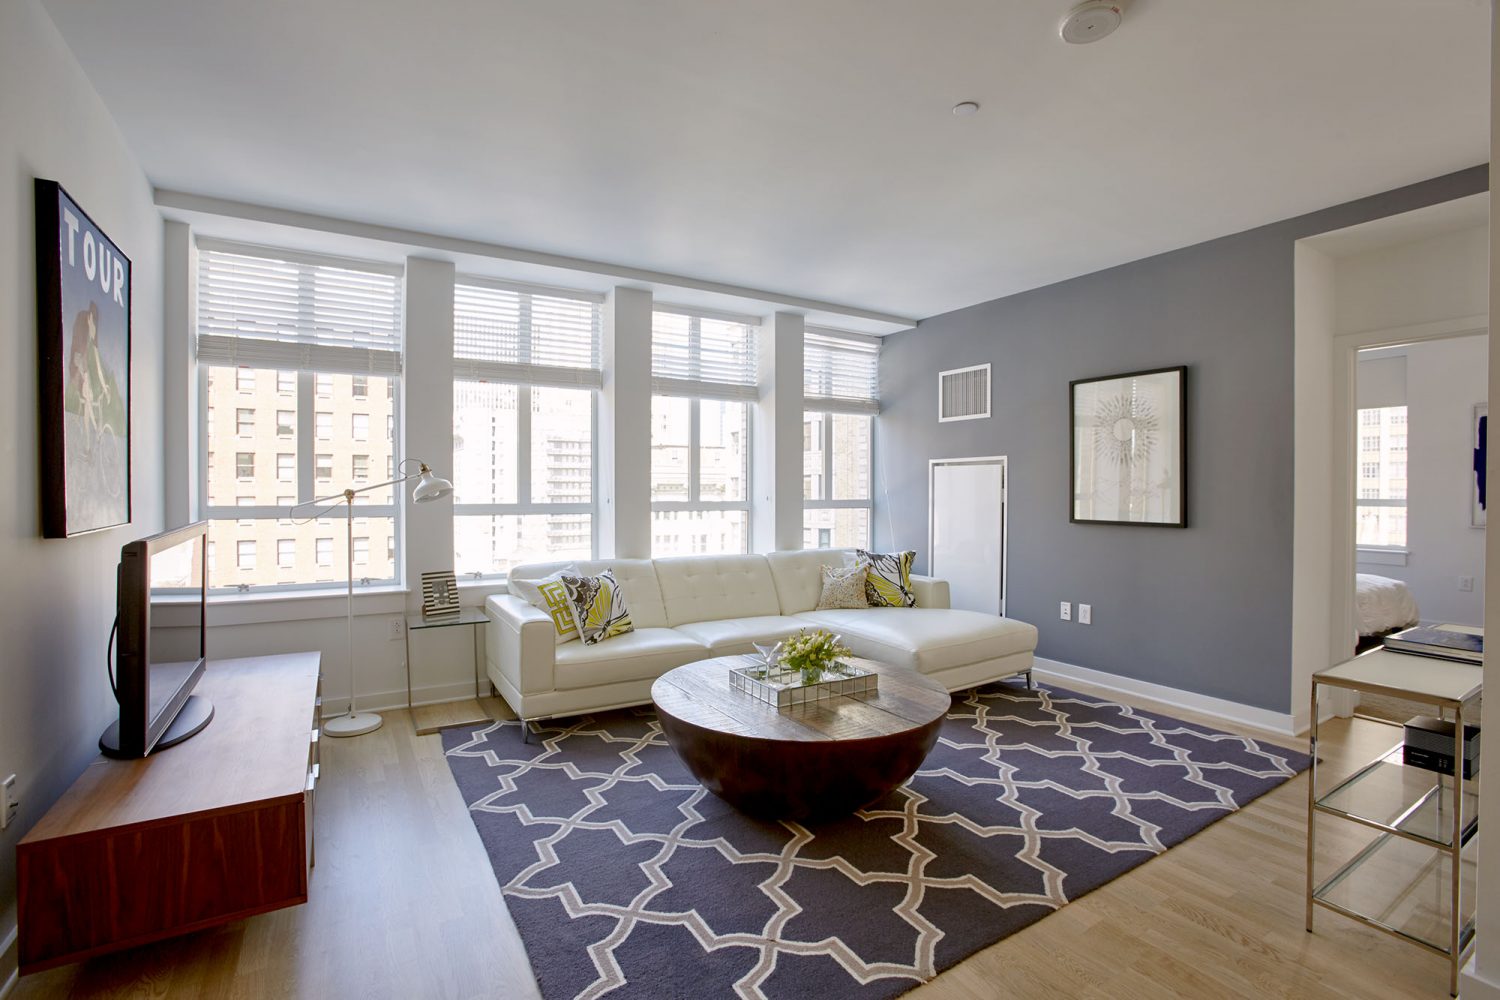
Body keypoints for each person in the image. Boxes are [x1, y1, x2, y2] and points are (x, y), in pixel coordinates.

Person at [68, 301, 111, 457]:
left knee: (90, 405)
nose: (94, 327)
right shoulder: (83, 339)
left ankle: (91, 443)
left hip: (87, 379)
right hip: (82, 377)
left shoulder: (93, 343)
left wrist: (104, 386)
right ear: (89, 319)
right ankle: (88, 446)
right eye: (93, 322)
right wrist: (84, 377)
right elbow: (78, 361)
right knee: (89, 403)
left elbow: (98, 368)